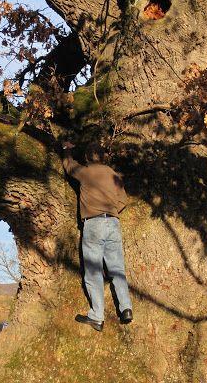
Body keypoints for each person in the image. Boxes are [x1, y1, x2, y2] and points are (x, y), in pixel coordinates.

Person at [62, 141, 133, 332]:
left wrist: (67, 150)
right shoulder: (114, 175)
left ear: (86, 157)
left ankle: (97, 316)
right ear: (104, 157)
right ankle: (126, 308)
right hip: (113, 222)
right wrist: (112, 211)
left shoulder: (86, 172)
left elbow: (69, 167)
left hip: (93, 223)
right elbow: (123, 200)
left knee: (93, 271)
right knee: (117, 268)